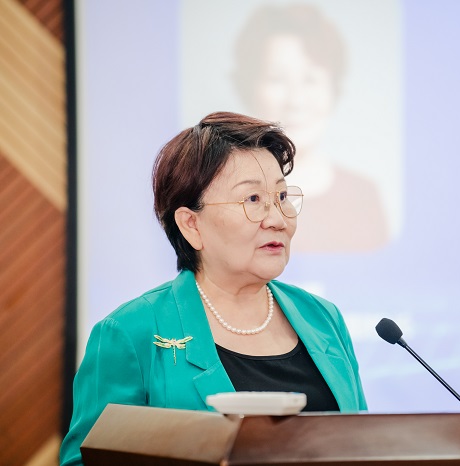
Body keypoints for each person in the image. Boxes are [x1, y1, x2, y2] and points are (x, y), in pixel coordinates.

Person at [60, 112, 367, 466]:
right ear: (191, 224)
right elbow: (85, 460)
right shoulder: (130, 332)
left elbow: (365, 447)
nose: (278, 219)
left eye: (282, 196)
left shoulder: (323, 319)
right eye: (253, 199)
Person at [232, 3, 390, 252]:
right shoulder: (225, 195)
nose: (296, 101)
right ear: (249, 88)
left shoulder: (363, 197)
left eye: (310, 79)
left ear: (333, 90)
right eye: (276, 79)